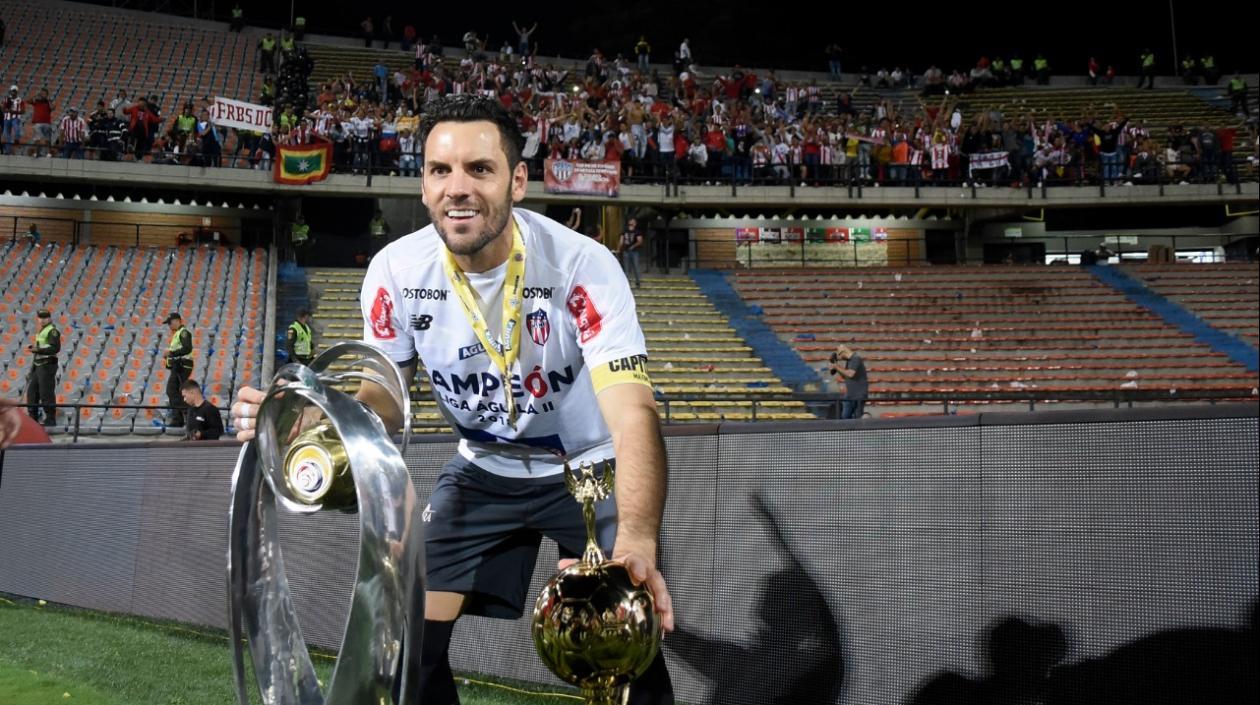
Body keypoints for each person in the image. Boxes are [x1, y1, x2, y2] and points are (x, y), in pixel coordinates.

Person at [232, 94, 675, 705]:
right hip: (483, 471)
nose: (458, 188)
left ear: (518, 180)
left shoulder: (582, 266)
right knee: (408, 649)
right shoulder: (395, 271)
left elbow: (633, 414)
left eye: (480, 169)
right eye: (441, 171)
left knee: (628, 647)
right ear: (423, 184)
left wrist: (638, 540)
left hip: (588, 469)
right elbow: (382, 400)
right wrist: (316, 422)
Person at [26, 309, 60, 427]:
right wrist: (34, 348)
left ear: (49, 318)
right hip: (39, 365)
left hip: (47, 365)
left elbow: (54, 348)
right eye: (40, 317)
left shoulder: (52, 331)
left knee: (46, 393)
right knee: (32, 393)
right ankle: (32, 420)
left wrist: (38, 350)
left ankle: (50, 419)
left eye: (45, 317)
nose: (42, 319)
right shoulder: (41, 331)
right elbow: (42, 346)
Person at [161, 312, 194, 426]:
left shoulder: (183, 332)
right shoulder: (177, 334)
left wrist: (171, 352)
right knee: (177, 393)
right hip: (178, 366)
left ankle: (187, 415)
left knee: (171, 391)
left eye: (170, 323)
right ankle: (181, 419)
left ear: (177, 321)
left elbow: (187, 348)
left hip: (182, 366)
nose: (169, 326)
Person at [832, 345, 867, 419]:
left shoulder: (856, 358)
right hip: (849, 395)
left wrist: (836, 367)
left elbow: (850, 374)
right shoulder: (849, 361)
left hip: (858, 395)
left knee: (857, 418)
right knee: (845, 418)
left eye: (839, 354)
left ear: (843, 352)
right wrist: (837, 368)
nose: (840, 357)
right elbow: (845, 376)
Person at [618, 217, 644, 288]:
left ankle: (638, 282)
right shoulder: (624, 231)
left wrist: (633, 246)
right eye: (630, 221)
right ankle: (627, 284)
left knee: (636, 267)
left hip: (634, 251)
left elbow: (640, 241)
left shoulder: (637, 232)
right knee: (626, 268)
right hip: (626, 251)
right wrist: (619, 249)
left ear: (635, 224)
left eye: (633, 222)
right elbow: (621, 241)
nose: (631, 223)